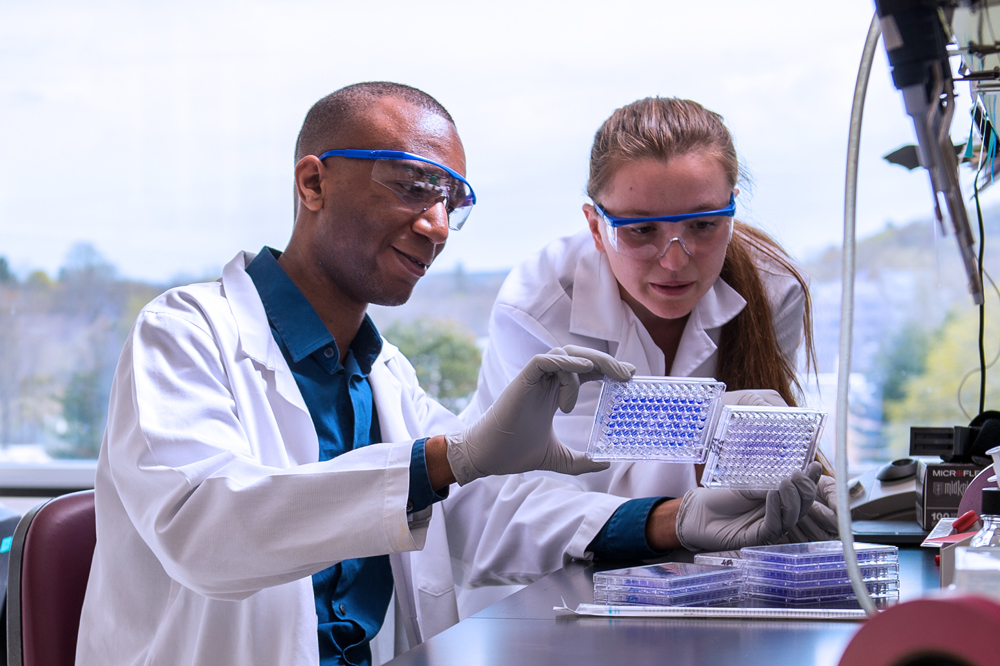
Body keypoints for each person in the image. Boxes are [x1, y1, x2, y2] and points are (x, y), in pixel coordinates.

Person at [74, 82, 642, 666]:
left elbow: (489, 509)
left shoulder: (384, 374)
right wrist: (445, 461)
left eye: (451, 203)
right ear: (313, 184)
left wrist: (669, 522)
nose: (438, 226)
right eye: (414, 187)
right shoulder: (184, 333)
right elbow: (201, 531)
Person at [449, 97, 836, 602]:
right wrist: (717, 428)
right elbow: (589, 481)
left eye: (703, 225)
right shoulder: (540, 307)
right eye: (641, 230)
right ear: (595, 226)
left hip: (709, 586)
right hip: (550, 587)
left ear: (732, 210)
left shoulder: (773, 289)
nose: (674, 261)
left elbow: (742, 487)